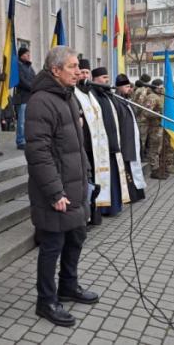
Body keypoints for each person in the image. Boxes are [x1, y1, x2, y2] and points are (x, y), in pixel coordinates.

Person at [25, 46, 98, 327]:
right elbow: (38, 152)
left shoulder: (67, 97)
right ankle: (46, 300)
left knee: (76, 238)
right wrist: (55, 192)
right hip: (55, 191)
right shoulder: (42, 101)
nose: (78, 71)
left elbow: (76, 146)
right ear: (55, 70)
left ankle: (68, 286)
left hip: (76, 186)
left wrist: (87, 175)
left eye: (78, 66)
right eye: (72, 66)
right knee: (52, 245)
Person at [74, 59, 110, 225]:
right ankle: (85, 217)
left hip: (95, 147)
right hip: (82, 146)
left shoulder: (90, 93)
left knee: (95, 182)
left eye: (87, 72)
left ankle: (95, 214)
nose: (85, 75)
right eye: (82, 72)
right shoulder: (74, 93)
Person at [91, 67, 129, 214]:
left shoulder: (107, 94)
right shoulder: (93, 94)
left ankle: (113, 206)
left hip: (113, 142)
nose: (106, 80)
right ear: (95, 79)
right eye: (103, 77)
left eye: (107, 77)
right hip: (101, 145)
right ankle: (104, 208)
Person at [113, 74, 147, 203]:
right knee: (127, 169)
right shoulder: (116, 100)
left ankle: (137, 193)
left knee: (134, 166)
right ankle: (130, 195)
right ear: (119, 87)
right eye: (127, 86)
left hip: (131, 139)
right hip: (124, 141)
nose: (130, 89)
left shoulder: (126, 100)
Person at [143, 79, 167, 179]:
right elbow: (146, 112)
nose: (162, 90)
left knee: (158, 148)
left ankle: (158, 168)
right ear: (155, 87)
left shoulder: (159, 96)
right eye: (160, 88)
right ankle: (154, 169)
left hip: (160, 126)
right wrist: (160, 114)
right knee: (154, 148)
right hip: (154, 127)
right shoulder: (152, 97)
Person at [14, 47, 36, 150]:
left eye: (29, 54)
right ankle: (20, 141)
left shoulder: (29, 67)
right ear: (21, 55)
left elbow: (34, 78)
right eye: (27, 54)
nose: (29, 56)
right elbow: (21, 81)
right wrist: (33, 87)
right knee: (21, 121)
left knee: (28, 121)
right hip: (22, 97)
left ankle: (27, 139)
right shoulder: (18, 65)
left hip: (30, 97)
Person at [132, 73, 152, 159]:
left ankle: (141, 154)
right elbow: (140, 104)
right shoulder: (142, 90)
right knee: (142, 137)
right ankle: (141, 155)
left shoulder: (138, 89)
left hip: (138, 116)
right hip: (141, 117)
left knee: (141, 137)